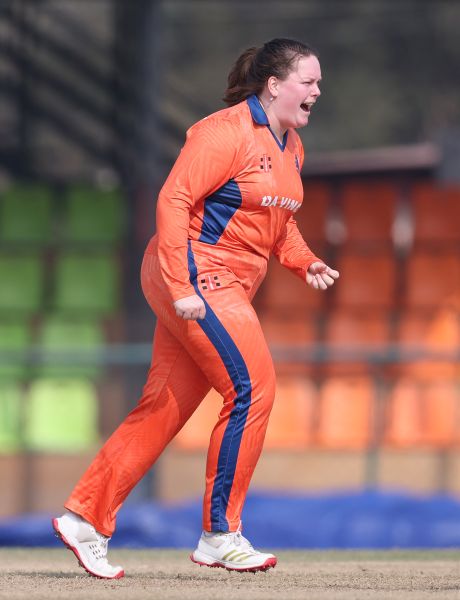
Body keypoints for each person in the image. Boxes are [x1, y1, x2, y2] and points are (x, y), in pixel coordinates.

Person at [52, 37, 339, 579]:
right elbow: (174, 199)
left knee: (163, 407)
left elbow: (279, 222)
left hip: (220, 283)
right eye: (309, 81)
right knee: (253, 388)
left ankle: (84, 519)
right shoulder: (223, 131)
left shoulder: (292, 146)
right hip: (195, 272)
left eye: (318, 82)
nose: (318, 91)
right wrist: (182, 286)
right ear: (273, 85)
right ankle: (220, 535)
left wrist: (304, 261)